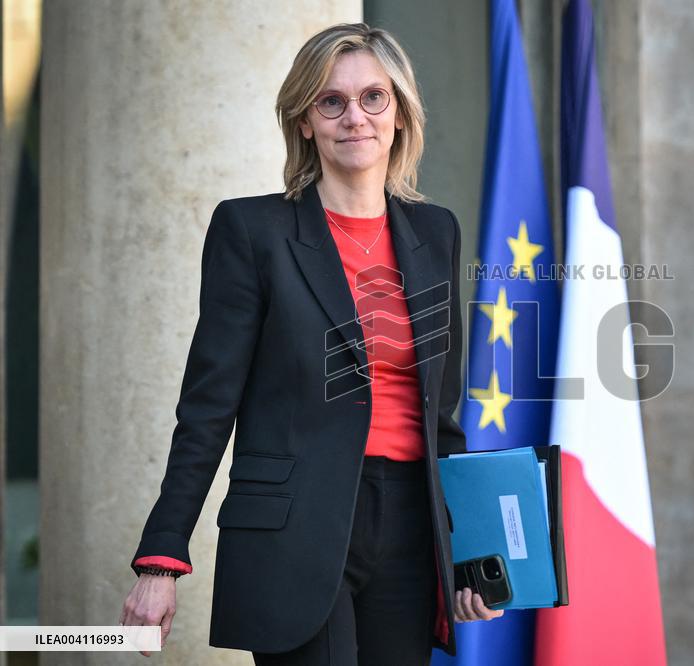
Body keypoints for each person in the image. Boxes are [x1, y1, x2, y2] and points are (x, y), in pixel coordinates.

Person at [119, 23, 502, 665]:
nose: (355, 117)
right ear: (305, 122)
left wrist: (467, 545)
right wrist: (162, 557)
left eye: (373, 97)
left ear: (401, 113)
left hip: (410, 527)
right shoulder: (252, 230)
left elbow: (441, 418)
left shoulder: (436, 233)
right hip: (295, 532)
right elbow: (208, 407)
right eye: (332, 102)